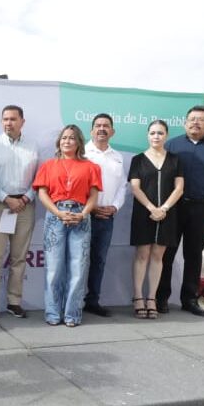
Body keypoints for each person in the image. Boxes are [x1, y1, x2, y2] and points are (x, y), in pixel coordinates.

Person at [156, 106, 204, 316]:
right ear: (185, 123)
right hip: (172, 208)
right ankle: (160, 299)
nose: (195, 123)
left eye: (200, 120)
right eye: (191, 119)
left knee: (193, 256)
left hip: (201, 208)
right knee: (166, 255)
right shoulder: (172, 145)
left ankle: (190, 299)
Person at [33, 125, 103, 327]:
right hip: (55, 217)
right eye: (64, 138)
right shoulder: (48, 165)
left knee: (78, 268)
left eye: (72, 138)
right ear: (59, 142)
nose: (67, 141)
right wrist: (57, 212)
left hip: (81, 217)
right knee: (54, 268)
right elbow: (42, 193)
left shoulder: (91, 167)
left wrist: (82, 214)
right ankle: (53, 312)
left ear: (79, 142)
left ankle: (72, 313)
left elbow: (93, 195)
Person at [0, 105, 40, 320]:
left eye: (13, 119)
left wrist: (25, 198)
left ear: (22, 121)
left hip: (25, 205)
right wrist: (7, 198)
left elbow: (38, 179)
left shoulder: (33, 145)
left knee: (19, 257)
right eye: (5, 119)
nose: (9, 123)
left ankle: (14, 302)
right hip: (0, 204)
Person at [128, 120, 184, 319]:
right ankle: (138, 297)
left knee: (158, 256)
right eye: (152, 133)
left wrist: (164, 208)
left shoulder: (175, 160)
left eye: (160, 133)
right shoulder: (138, 160)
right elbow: (135, 187)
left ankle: (151, 297)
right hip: (144, 213)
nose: (156, 136)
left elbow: (179, 187)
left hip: (167, 214)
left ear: (166, 135)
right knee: (142, 254)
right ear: (147, 135)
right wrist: (152, 207)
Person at [82, 113, 128, 317]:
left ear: (113, 131)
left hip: (106, 217)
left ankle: (92, 301)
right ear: (91, 130)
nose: (102, 128)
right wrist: (89, 207)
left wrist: (115, 207)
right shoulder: (82, 153)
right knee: (77, 259)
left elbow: (122, 186)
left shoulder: (117, 157)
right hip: (82, 215)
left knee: (98, 260)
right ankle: (71, 301)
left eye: (106, 126)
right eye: (98, 125)